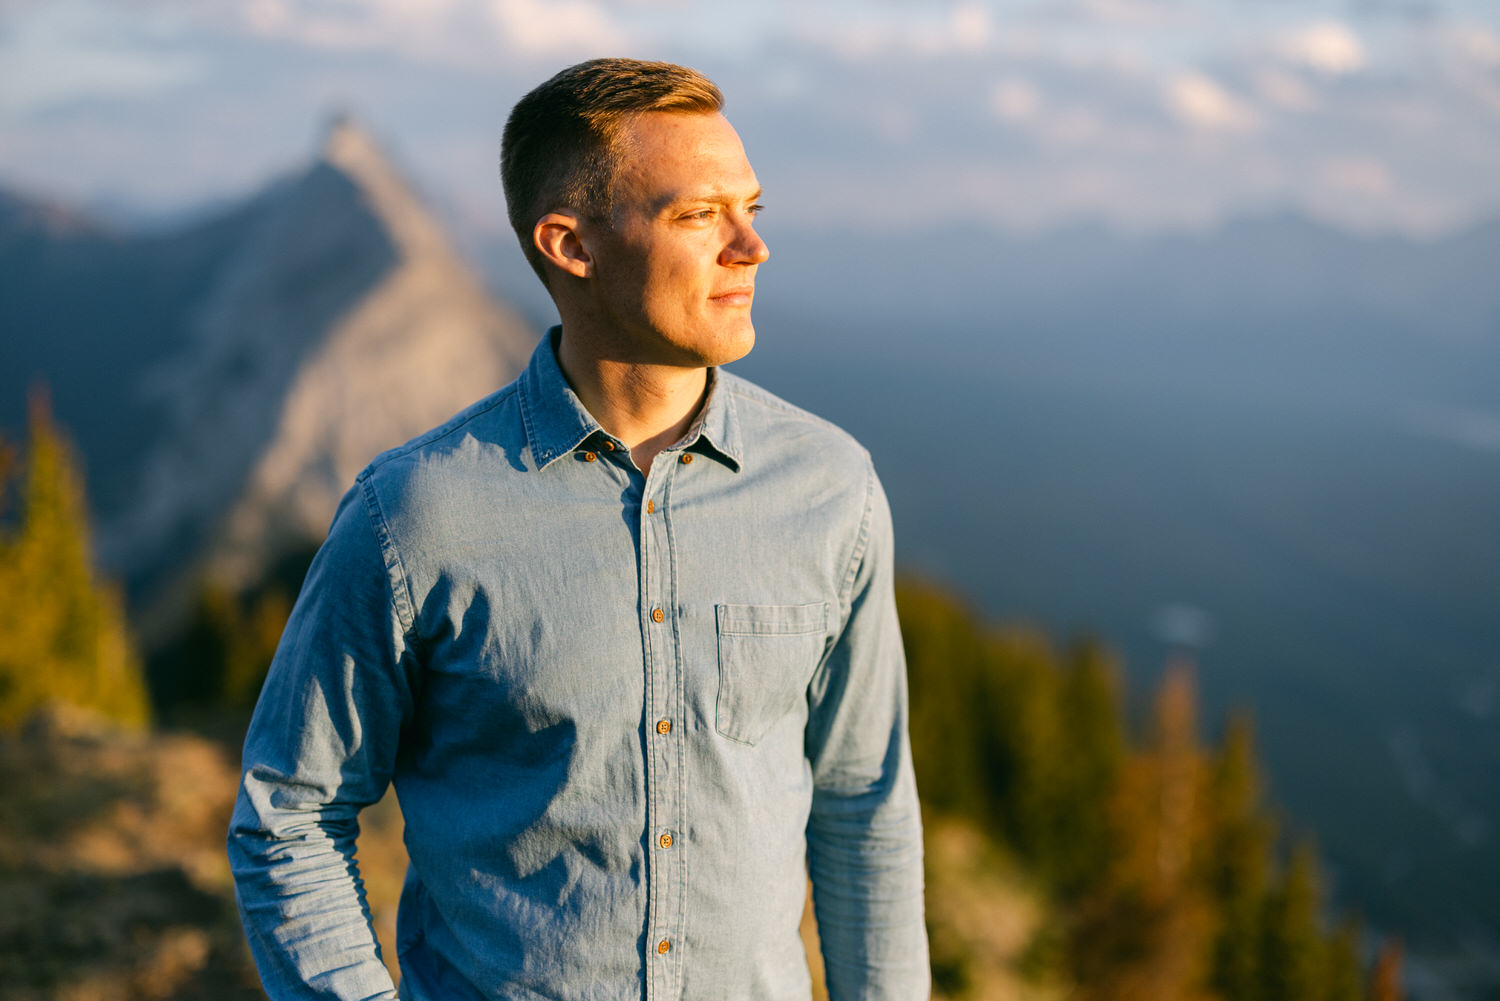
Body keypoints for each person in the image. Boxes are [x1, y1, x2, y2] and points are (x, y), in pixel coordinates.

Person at [228, 58, 929, 1001]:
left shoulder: (831, 488)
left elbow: (863, 808)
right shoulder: (414, 514)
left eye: (751, 206)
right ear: (571, 245)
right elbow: (290, 815)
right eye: (698, 215)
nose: (752, 246)